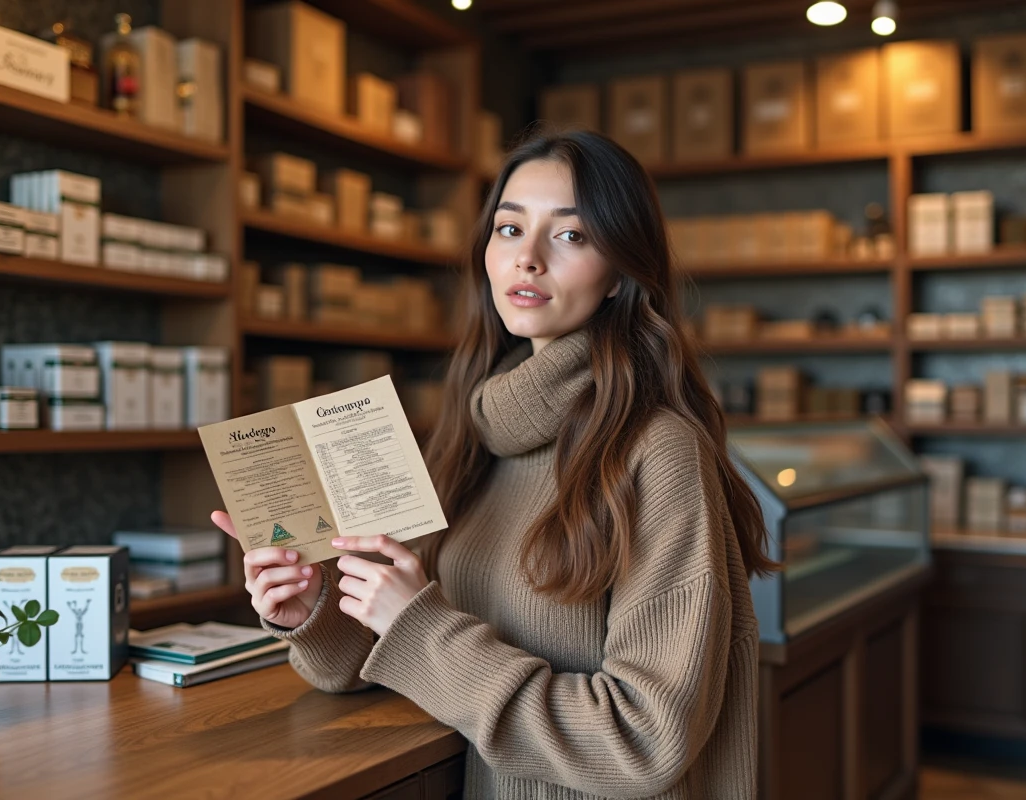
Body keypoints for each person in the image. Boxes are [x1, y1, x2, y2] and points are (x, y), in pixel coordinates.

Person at [211, 129, 776, 798]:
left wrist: (419, 627)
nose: (527, 258)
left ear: (621, 271)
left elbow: (646, 739)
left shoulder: (657, 451)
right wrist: (315, 607)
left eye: (570, 236)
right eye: (509, 229)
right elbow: (378, 655)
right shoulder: (473, 434)